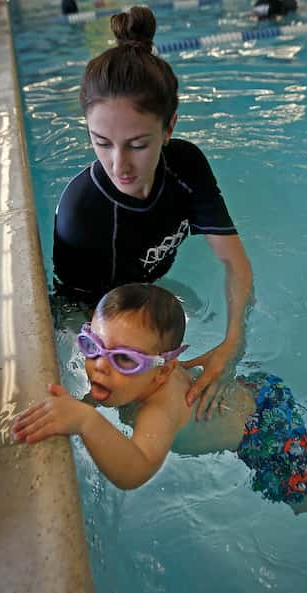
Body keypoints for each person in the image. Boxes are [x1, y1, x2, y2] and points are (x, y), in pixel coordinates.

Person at [13, 283, 307, 542]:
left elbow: (135, 470)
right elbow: (98, 388)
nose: (99, 366)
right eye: (92, 346)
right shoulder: (125, 377)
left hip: (263, 428)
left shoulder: (160, 408)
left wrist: (84, 420)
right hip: (247, 390)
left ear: (162, 371)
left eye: (123, 360)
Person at [51, 6, 253, 411]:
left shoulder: (185, 166)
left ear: (170, 127)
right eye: (101, 142)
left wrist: (232, 345)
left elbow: (235, 264)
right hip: (87, 321)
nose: (119, 165)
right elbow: (90, 317)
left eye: (138, 145)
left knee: (206, 322)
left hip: (144, 294)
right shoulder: (84, 210)